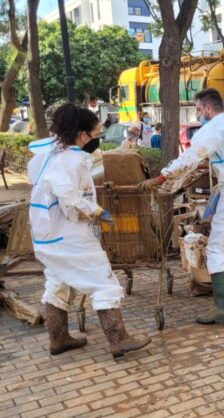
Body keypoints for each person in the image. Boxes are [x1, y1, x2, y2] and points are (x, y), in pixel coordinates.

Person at [27, 104, 151, 357]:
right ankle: (119, 339)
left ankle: (59, 338)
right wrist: (97, 212)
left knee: (58, 281)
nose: (96, 139)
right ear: (82, 134)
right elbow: (70, 200)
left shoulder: (48, 155)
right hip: (68, 236)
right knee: (103, 283)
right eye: (95, 134)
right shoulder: (70, 160)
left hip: (46, 236)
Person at [140, 89, 224, 325]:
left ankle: (222, 308)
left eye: (199, 110)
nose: (199, 115)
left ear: (208, 109)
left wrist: (160, 178)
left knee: (219, 250)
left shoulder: (213, 128)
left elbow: (190, 157)